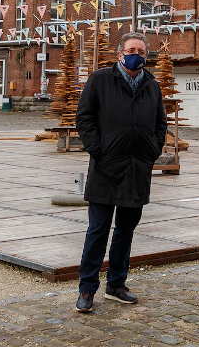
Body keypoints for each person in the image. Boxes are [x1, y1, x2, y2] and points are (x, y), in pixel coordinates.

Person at [74, 32, 166, 312]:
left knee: (125, 231)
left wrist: (152, 151)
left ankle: (116, 284)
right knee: (98, 230)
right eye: (131, 50)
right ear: (120, 54)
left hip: (138, 169)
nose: (136, 55)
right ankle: (87, 288)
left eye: (141, 51)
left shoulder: (152, 85)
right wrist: (98, 150)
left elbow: (160, 123)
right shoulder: (100, 79)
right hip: (106, 168)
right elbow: (84, 117)